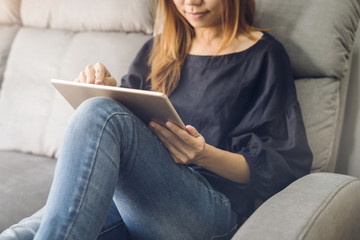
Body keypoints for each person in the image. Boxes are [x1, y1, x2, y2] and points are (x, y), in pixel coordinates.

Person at [0, 0, 313, 239]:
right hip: (140, 198)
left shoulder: (264, 56)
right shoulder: (158, 49)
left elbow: (282, 164)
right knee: (21, 234)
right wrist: (107, 94)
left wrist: (202, 154)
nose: (191, 2)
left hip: (210, 206)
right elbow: (126, 127)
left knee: (100, 114)